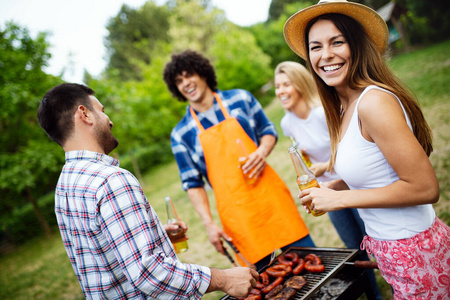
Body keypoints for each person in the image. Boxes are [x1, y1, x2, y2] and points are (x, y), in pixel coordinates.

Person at [283, 0, 450, 299]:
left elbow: (425, 187)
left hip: (414, 250)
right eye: (316, 46)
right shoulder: (345, 105)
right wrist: (337, 184)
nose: (326, 55)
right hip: (392, 249)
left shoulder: (373, 102)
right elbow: (378, 169)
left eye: (337, 42)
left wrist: (341, 198)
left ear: (357, 45)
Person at [36, 83, 258, 299]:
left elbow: (101, 251)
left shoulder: (65, 187)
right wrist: (224, 279)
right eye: (102, 111)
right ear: (85, 114)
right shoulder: (111, 181)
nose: (110, 120)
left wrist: (155, 234)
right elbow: (149, 273)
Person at [163, 50, 315, 271]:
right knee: (269, 281)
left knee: (310, 260)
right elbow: (192, 184)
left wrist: (261, 152)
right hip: (239, 217)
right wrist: (208, 223)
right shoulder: (181, 134)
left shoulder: (240, 99)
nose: (186, 83)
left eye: (189, 75)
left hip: (273, 202)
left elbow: (267, 130)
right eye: (179, 81)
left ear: (203, 73)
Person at [274, 61, 381, 300]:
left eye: (285, 84)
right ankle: (375, 296)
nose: (279, 91)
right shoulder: (286, 123)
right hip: (326, 191)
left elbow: (349, 148)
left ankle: (399, 286)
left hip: (352, 182)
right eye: (277, 86)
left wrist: (325, 166)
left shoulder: (323, 111)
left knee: (378, 246)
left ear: (299, 84)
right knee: (356, 250)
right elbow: (303, 157)